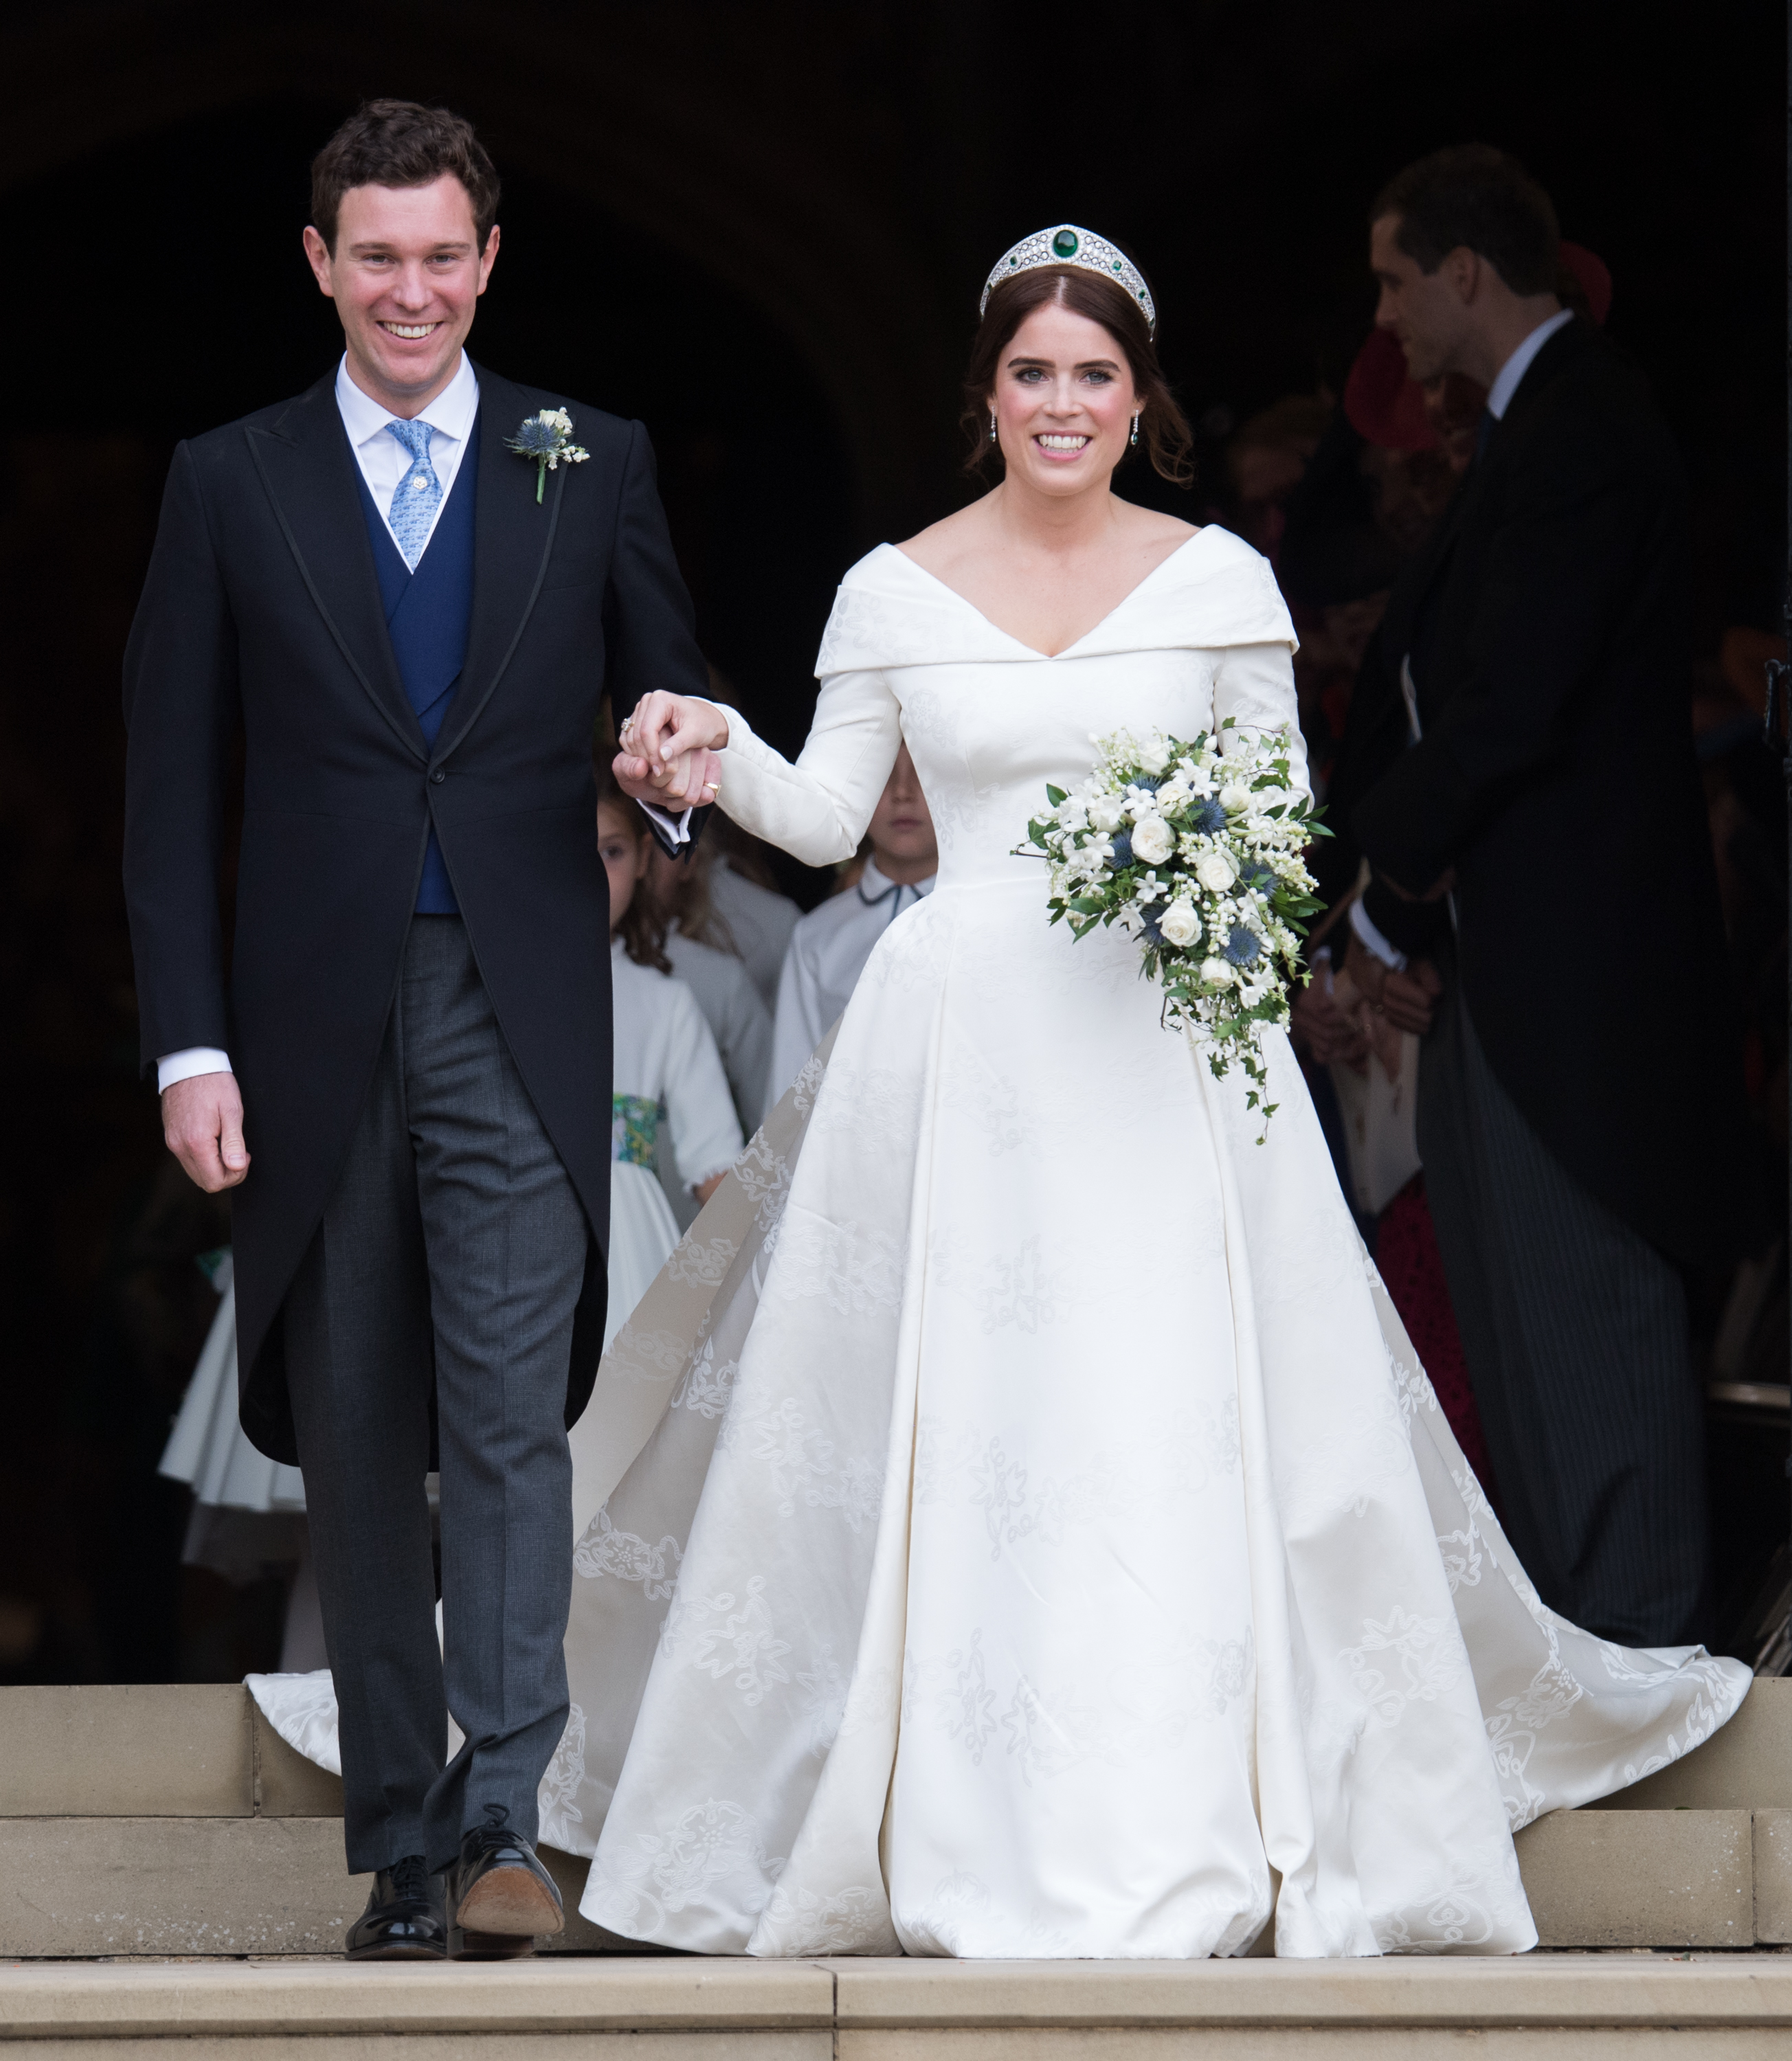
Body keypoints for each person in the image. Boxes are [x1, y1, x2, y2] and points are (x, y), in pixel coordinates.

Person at [575, 225, 1745, 1960]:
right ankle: (950, 1816)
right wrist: (702, 748)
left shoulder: (1215, 583)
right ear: (986, 392)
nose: (1063, 404)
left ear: (1140, 397)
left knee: (1152, 1423)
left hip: (1153, 1058)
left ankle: (1175, 1812)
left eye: (1095, 374)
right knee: (962, 1427)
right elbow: (827, 819)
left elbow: (1276, 831)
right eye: (1031, 371)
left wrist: (1199, 869)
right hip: (956, 1056)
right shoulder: (892, 586)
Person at [121, 100, 710, 1961]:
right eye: (377, 254)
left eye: (443, 255)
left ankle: (511, 1821)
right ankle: (400, 1843)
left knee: (515, 1416)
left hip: (523, 1003)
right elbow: (165, 787)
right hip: (302, 1021)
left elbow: (674, 703)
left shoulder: (588, 458)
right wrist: (186, 1047)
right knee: (362, 1426)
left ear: (489, 260)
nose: (412, 288)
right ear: (321, 263)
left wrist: (676, 771)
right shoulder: (230, 478)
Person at [1345, 146, 1753, 1647]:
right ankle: (1584, 1676)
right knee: (1521, 1338)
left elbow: (1510, 703)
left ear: (1463, 272)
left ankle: (1641, 1675)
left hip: (1573, 977)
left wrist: (1375, 890)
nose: (1380, 313)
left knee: (1582, 1320)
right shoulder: (1521, 440)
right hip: (1498, 967)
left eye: (1392, 278)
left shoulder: (1585, 422)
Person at [575, 784, 742, 1522]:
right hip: (510, 1219)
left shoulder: (663, 1001)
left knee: (614, 1460)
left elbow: (717, 1169)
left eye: (609, 853)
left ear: (646, 859)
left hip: (626, 1252)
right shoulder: (479, 987)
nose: (588, 875)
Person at [769, 742, 938, 1100]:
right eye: (883, 771)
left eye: (924, 770)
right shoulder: (817, 935)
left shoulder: (985, 925)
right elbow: (790, 1087)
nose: (903, 792)